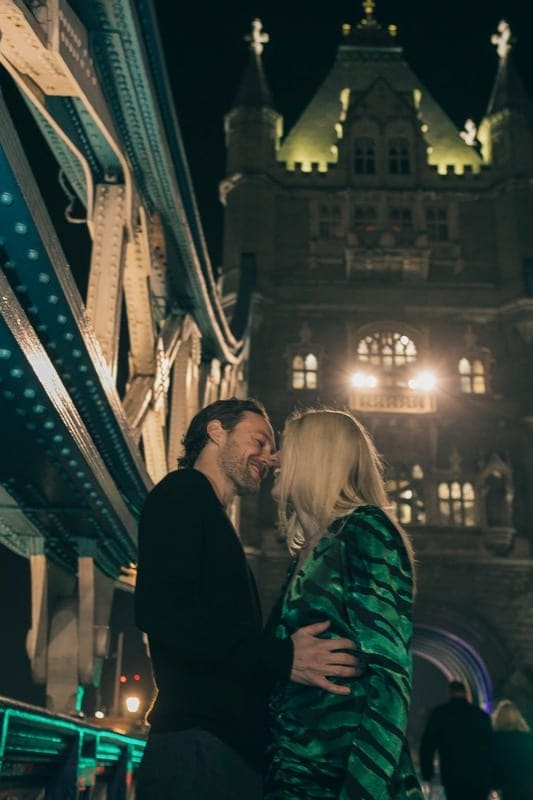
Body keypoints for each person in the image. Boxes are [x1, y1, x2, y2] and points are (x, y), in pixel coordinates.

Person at [134, 398, 360, 800]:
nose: (269, 458)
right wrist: (283, 658)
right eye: (259, 441)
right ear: (216, 432)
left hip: (216, 748)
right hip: (198, 750)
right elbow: (165, 614)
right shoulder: (182, 494)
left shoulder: (209, 514)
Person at [264, 408, 423, 799]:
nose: (275, 459)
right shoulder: (308, 549)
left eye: (287, 448)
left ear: (318, 458)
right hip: (290, 772)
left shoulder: (364, 530)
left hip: (339, 776)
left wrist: (363, 788)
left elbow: (390, 676)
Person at [419, 680, 492, 800]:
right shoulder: (480, 716)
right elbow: (490, 747)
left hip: (451, 773)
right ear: (466, 693)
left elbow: (427, 746)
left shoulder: (440, 714)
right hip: (478, 774)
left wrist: (427, 772)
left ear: (450, 693)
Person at [491, 699, 533, 800]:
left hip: (507, 788)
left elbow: (493, 767)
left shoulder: (495, 740)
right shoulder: (527, 738)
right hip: (526, 787)